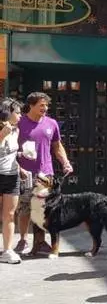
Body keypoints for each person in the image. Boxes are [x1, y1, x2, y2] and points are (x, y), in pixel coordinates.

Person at [15, 92, 72, 256]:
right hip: (25, 172)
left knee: (43, 209)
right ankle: (23, 239)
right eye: (41, 105)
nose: (45, 108)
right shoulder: (19, 122)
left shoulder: (51, 123)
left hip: (46, 174)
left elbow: (57, 146)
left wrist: (65, 162)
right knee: (25, 208)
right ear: (31, 105)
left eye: (46, 105)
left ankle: (40, 241)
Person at [0, 98, 22, 264]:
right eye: (18, 112)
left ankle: (7, 250)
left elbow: (10, 153)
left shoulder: (16, 130)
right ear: (8, 113)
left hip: (12, 175)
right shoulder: (5, 130)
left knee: (9, 214)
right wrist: (2, 134)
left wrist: (21, 165)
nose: (20, 116)